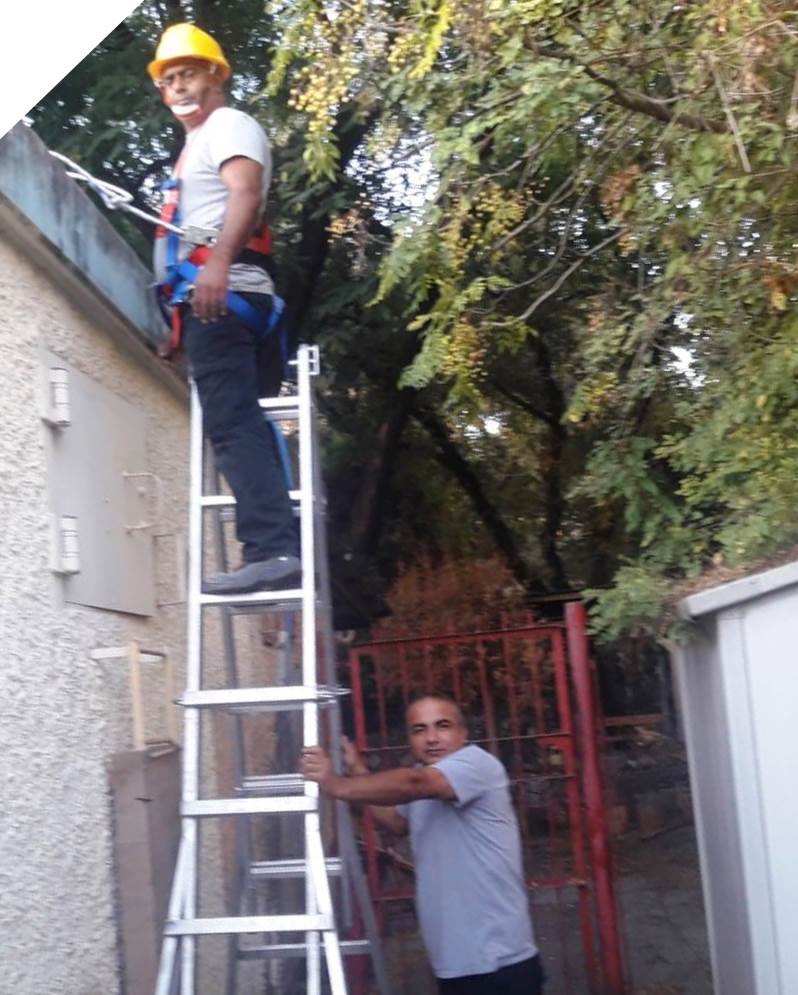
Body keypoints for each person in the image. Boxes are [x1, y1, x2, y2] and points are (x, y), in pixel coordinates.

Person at [148, 23, 300, 594]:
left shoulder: (228, 125)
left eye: (187, 74)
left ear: (216, 75)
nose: (178, 87)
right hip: (216, 298)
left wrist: (214, 267)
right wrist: (177, 325)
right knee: (242, 424)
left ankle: (272, 550)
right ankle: (277, 546)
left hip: (225, 291)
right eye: (168, 80)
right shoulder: (194, 148)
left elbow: (245, 194)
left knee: (232, 425)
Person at [301, 695, 544, 995]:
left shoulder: (475, 765)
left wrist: (337, 784)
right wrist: (357, 769)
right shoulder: (427, 781)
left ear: (463, 733)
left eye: (443, 726)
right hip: (453, 961)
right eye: (419, 729)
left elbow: (414, 783)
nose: (431, 738)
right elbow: (396, 821)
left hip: (500, 962)